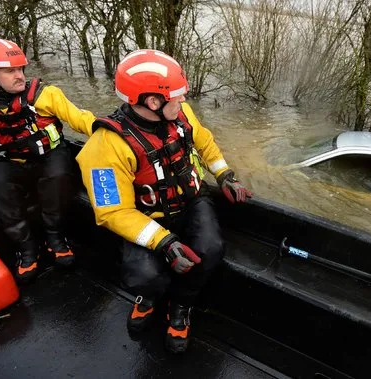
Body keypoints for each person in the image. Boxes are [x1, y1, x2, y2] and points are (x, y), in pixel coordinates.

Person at [76, 49, 252, 354]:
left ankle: (181, 307)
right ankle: (148, 298)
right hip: (146, 218)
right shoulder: (106, 146)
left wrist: (224, 174)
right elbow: (112, 211)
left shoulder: (181, 115)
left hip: (192, 202)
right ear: (152, 102)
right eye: (177, 96)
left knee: (211, 249)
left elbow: (205, 142)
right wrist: (164, 242)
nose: (183, 101)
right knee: (144, 275)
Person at [0, 37, 96, 283]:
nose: (20, 76)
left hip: (49, 155)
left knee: (59, 176)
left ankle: (55, 237)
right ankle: (26, 248)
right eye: (10, 71)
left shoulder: (46, 94)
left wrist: (107, 130)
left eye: (21, 69)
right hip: (8, 159)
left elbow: (81, 119)